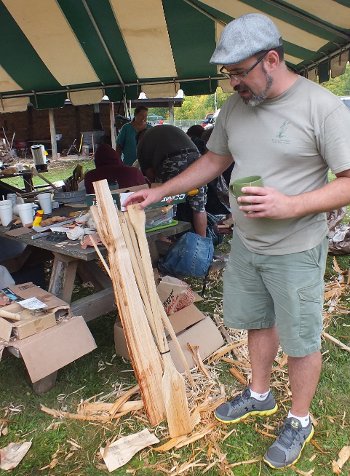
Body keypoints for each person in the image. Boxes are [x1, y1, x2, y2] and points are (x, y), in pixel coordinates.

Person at [124, 13, 350, 469]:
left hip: (296, 247)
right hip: (246, 244)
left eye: (240, 73)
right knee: (255, 321)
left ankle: (300, 420)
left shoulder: (321, 107)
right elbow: (213, 160)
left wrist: (291, 205)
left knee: (301, 340)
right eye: (228, 75)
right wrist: (161, 190)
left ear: (271, 59)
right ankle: (259, 393)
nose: (233, 85)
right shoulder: (234, 109)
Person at [137, 125, 207, 237]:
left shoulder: (142, 144)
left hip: (172, 161)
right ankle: (203, 243)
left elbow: (149, 175)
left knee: (165, 206)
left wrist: (158, 190)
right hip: (196, 158)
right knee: (199, 207)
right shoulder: (166, 130)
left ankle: (165, 241)